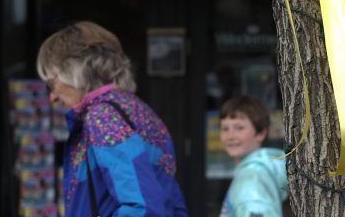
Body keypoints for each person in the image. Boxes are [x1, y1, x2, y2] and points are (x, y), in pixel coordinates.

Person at [37, 21, 188, 217]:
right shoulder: (136, 108)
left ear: (75, 70)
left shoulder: (104, 117)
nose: (52, 97)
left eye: (52, 84)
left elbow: (141, 209)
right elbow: (172, 203)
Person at [218, 95, 288, 217]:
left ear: (261, 133)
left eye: (239, 128)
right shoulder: (259, 172)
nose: (230, 136)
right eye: (225, 128)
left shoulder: (251, 180)